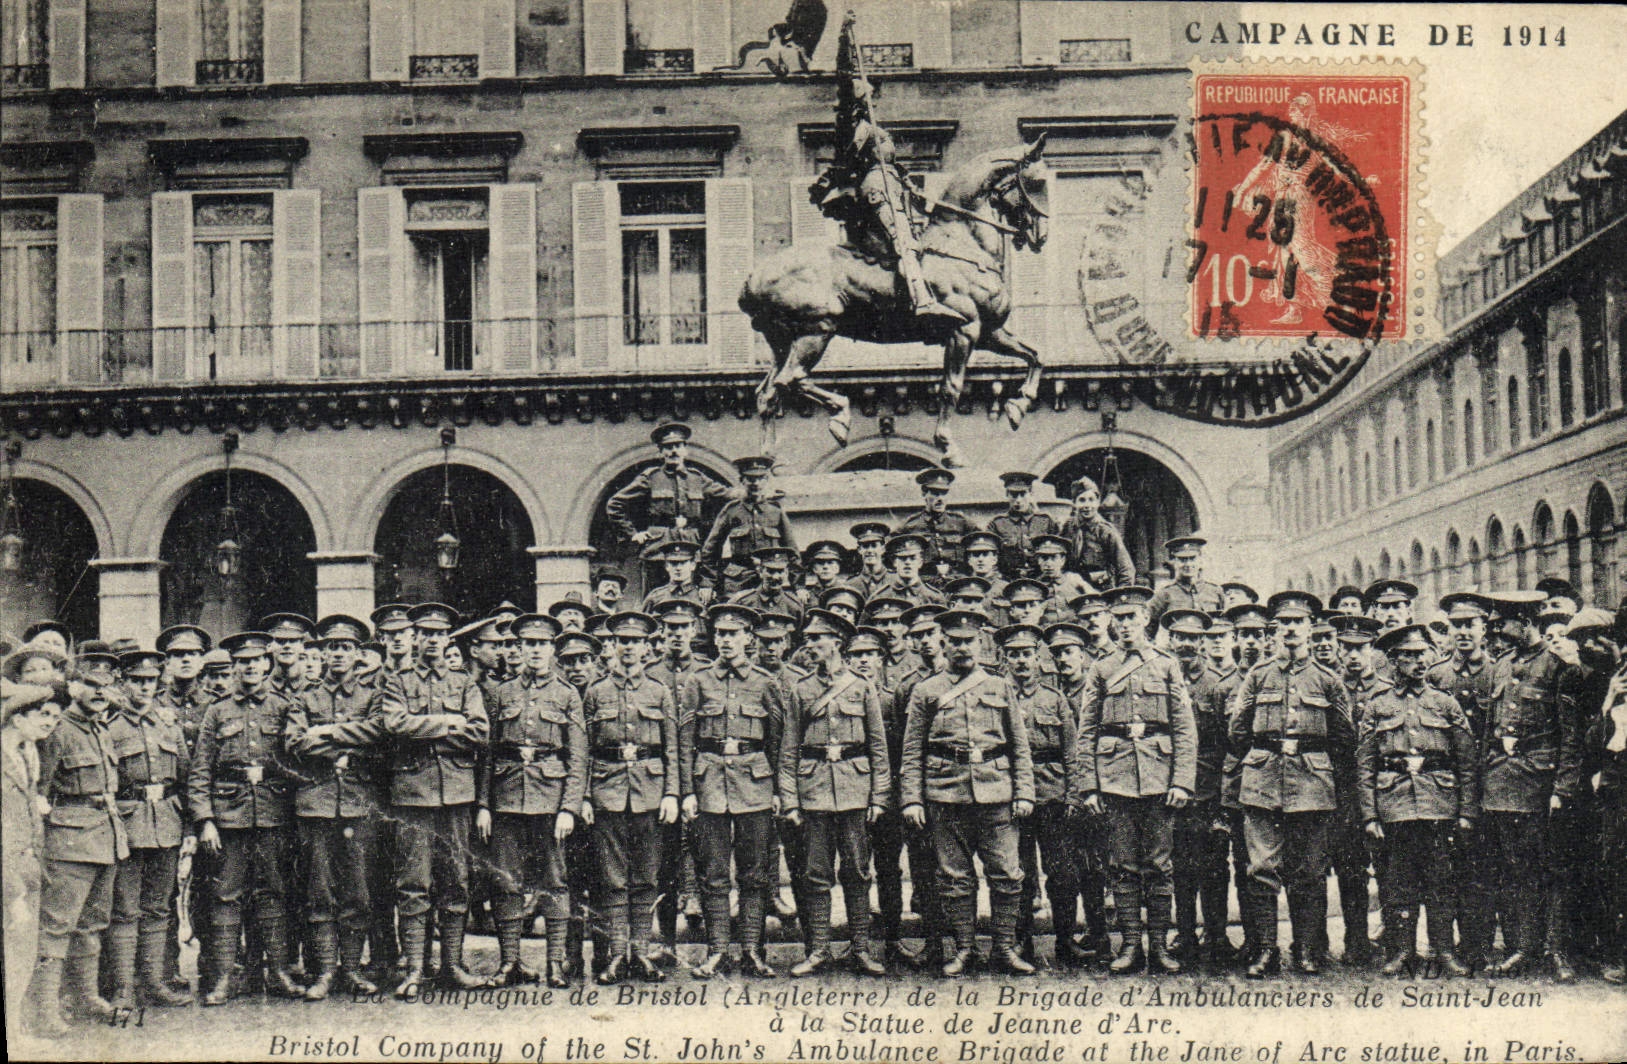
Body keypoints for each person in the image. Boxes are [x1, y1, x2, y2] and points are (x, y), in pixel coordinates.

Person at [1227, 591, 1357, 978]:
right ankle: (1266, 950)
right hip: (1263, 783)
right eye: (1283, 624)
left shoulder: (1328, 680)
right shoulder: (1257, 675)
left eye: (1297, 624)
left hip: (1312, 787)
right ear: (1273, 630)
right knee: (1262, 869)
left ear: (1310, 629)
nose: (1290, 631)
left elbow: (1345, 738)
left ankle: (1305, 949)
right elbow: (1237, 731)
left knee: (1309, 873)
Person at [900, 609, 1036, 976]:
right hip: (945, 794)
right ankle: (964, 949)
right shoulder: (926, 691)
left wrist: (1024, 792)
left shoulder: (999, 685)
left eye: (969, 641)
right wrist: (912, 798)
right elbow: (912, 750)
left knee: (1007, 874)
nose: (962, 648)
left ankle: (1004, 948)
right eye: (955, 642)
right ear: (943, 644)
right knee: (955, 877)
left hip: (997, 792)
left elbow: (1019, 745)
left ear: (981, 643)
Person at [812, 11, 966, 326]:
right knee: (903, 239)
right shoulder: (852, 125)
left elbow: (895, 166)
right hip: (875, 188)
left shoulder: (874, 128)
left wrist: (911, 186)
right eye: (865, 90)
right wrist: (845, 35)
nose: (871, 93)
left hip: (892, 185)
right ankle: (922, 299)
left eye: (872, 91)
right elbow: (844, 77)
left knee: (918, 238)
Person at [1075, 588, 1197, 975]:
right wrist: (1089, 786)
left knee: (1160, 866)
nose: (1125, 624)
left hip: (1160, 778)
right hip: (1115, 779)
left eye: (1132, 617)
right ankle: (1129, 946)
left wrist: (1182, 781)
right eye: (1119, 617)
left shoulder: (1165, 665)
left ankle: (1159, 945)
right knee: (1122, 866)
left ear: (1146, 618)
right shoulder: (1102, 667)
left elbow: (1184, 727)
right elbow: (1087, 730)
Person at [283, 615, 395, 1000]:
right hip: (316, 805)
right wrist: (349, 744)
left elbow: (379, 733)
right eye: (332, 647)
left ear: (358, 653)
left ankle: (351, 970)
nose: (338, 654)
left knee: (358, 892)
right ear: (323, 652)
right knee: (319, 891)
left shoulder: (373, 693)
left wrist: (327, 732)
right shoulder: (305, 696)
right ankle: (324, 972)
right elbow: (295, 743)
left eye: (346, 647)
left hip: (359, 806)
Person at [1357, 624, 1478, 979]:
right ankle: (1402, 952)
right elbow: (1364, 766)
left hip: (1438, 805)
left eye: (1422, 654)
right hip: (1394, 807)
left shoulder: (1445, 702)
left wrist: (1467, 811)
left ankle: (1443, 952)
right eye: (1409, 656)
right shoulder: (1378, 706)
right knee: (1397, 885)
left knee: (1441, 882)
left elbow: (1467, 763)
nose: (1418, 662)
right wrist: (1369, 816)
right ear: (1394, 661)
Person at [187, 632, 301, 1005]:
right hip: (229, 818)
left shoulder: (284, 706)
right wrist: (205, 819)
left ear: (267, 664)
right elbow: (200, 770)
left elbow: (295, 763)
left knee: (273, 893)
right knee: (225, 896)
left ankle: (279, 972)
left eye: (256, 661)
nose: (249, 667)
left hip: (273, 814)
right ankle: (222, 978)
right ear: (233, 667)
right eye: (242, 662)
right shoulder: (216, 712)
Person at [383, 603, 490, 997]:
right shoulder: (397, 681)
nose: (431, 640)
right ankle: (415, 968)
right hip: (413, 795)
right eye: (424, 633)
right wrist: (449, 722)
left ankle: (452, 965)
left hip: (457, 795)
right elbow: (394, 725)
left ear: (448, 639)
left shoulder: (464, 684)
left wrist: (425, 729)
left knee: (456, 881)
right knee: (413, 883)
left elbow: (479, 732)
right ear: (416, 638)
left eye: (438, 634)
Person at [778, 610, 890, 976]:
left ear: (836, 643)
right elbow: (789, 750)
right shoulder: (801, 689)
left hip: (856, 791)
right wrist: (791, 800)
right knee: (816, 872)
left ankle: (860, 949)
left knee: (858, 870)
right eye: (808, 639)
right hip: (814, 793)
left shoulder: (861, 686)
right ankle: (820, 950)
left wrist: (878, 797)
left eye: (816, 639)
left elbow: (878, 747)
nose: (809, 646)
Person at [480, 613, 588, 988]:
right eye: (528, 644)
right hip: (506, 797)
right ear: (519, 649)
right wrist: (483, 805)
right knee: (506, 881)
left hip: (550, 798)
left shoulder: (567, 694)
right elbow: (488, 754)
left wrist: (569, 808)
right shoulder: (501, 693)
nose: (535, 651)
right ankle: (510, 962)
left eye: (542, 644)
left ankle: (555, 964)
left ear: (553, 649)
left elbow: (578, 757)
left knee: (555, 881)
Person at [1477, 590, 1581, 979]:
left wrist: (1563, 788)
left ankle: (1556, 950)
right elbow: (1490, 731)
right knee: (1514, 870)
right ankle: (1523, 947)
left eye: (1504, 625)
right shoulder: (1501, 666)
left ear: (1525, 622)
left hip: (1541, 785)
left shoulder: (1558, 667)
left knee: (1551, 870)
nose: (1498, 632)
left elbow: (1570, 736)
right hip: (1502, 784)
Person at [679, 604, 784, 979]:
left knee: (755, 874)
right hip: (708, 784)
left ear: (748, 639)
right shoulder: (698, 681)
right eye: (720, 634)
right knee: (714, 873)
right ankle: (717, 951)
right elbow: (685, 738)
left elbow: (778, 741)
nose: (726, 641)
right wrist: (687, 790)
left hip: (755, 784)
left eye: (733, 634)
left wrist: (778, 789)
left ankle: (753, 951)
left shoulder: (764, 682)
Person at [579, 615, 678, 985]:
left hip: (650, 792)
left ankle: (642, 953)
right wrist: (585, 796)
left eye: (636, 640)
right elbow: (585, 749)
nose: (629, 646)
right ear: (614, 645)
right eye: (622, 639)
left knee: (647, 878)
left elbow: (672, 748)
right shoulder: (596, 691)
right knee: (612, 878)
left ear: (647, 646)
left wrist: (671, 792)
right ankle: (617, 955)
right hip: (607, 791)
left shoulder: (659, 691)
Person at [104, 648, 194, 1009]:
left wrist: (188, 827)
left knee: (159, 908)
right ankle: (124, 988)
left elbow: (186, 778)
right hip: (126, 824)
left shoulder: (168, 724)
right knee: (125, 909)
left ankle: (155, 984)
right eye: (136, 681)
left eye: (150, 681)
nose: (144, 687)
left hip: (167, 824)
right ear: (122, 682)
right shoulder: (109, 725)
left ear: (159, 683)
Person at [999, 623, 1080, 968]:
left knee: (1061, 872)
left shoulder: (1055, 699)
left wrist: (1073, 795)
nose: (1021, 661)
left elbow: (1072, 752)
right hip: (1015, 796)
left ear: (1038, 658)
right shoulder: (997, 695)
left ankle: (1065, 940)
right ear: (1005, 659)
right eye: (1014, 655)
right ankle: (1022, 942)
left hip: (1052, 794)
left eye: (1027, 654)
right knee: (1020, 873)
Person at [1427, 593, 1500, 972]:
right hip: (1443, 787)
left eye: (1471, 625)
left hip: (1488, 785)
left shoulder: (1498, 672)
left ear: (1484, 629)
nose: (1463, 633)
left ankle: (1480, 946)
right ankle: (1448, 947)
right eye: (1457, 626)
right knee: (1445, 870)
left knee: (1481, 870)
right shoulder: (1436, 676)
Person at [1162, 610, 1232, 969]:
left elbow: (1227, 745)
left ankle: (1217, 936)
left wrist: (1222, 798)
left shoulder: (1217, 685)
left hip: (1207, 791)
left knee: (1214, 867)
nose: (1187, 644)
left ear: (1204, 642)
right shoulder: (1161, 678)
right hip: (1172, 789)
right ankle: (1185, 934)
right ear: (1170, 640)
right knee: (1180, 867)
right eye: (1180, 636)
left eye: (1194, 637)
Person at [1044, 621, 1111, 963]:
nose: (1062, 660)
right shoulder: (1050, 692)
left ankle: (1099, 935)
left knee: (1096, 867)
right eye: (1056, 654)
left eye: (1068, 652)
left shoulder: (1097, 690)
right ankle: (1067, 937)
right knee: (1065, 869)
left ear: (1084, 656)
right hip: (1062, 790)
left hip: (1094, 788)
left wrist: (1091, 788)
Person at [1325, 613, 1386, 968]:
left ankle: (1394, 938)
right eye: (1346, 647)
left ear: (1371, 649)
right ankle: (1356, 940)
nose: (1352, 655)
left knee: (1388, 867)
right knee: (1349, 868)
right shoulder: (1330, 686)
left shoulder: (1387, 687)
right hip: (1341, 788)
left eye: (1360, 647)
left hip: (1381, 788)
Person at [5, 681, 64, 1038]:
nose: (48, 723)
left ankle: (14, 1029)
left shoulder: (28, 755)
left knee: (22, 953)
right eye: (40, 715)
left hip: (28, 864)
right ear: (16, 718)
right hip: (9, 871)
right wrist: (13, 893)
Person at [605, 423, 733, 584]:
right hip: (658, 549)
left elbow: (728, 494)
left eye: (678, 446)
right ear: (661, 451)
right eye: (668, 447)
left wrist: (757, 492)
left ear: (685, 450)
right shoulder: (651, 477)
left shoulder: (697, 478)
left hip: (690, 545)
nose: (673, 451)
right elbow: (614, 504)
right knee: (656, 597)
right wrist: (633, 534)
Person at [702, 455, 797, 598]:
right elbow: (710, 549)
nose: (756, 483)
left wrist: (799, 585)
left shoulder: (775, 511)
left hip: (770, 578)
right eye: (751, 479)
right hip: (738, 581)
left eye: (761, 478)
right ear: (742, 481)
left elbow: (792, 550)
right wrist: (708, 584)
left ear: (766, 481)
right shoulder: (731, 510)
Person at [897, 468, 976, 586]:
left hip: (957, 583)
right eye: (935, 493)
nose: (940, 498)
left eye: (944, 493)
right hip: (925, 584)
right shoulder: (910, 525)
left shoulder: (961, 522)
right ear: (924, 493)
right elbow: (891, 553)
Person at [1060, 477, 1135, 590]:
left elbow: (1126, 569)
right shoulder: (1068, 527)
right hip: (1072, 590)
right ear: (1074, 503)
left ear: (1098, 502)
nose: (1087, 505)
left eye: (1091, 499)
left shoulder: (1106, 531)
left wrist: (1120, 598)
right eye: (1082, 500)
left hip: (1100, 591)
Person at [987, 472, 1059, 579]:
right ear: (1007, 494)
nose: (1018, 500)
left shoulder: (1046, 521)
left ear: (1030, 493)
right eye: (1014, 495)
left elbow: (1059, 552)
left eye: (1023, 494)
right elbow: (989, 555)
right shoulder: (997, 523)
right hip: (1008, 580)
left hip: (1042, 579)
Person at [1146, 537, 1223, 633]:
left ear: (1200, 560)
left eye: (1192, 558)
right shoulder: (1165, 594)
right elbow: (1147, 627)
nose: (1188, 564)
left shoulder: (1215, 591)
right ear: (1174, 562)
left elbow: (1224, 624)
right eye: (1183, 559)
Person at [728, 546, 806, 623]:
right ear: (760, 572)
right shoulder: (742, 602)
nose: (775, 577)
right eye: (770, 571)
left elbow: (797, 634)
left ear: (786, 573)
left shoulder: (794, 606)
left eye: (780, 571)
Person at [641, 541, 715, 615]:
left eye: (683, 563)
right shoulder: (655, 597)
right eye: (673, 563)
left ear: (693, 565)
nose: (678, 568)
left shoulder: (704, 597)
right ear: (666, 566)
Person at [880, 533, 945, 606]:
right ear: (894, 562)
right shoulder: (882, 597)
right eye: (902, 558)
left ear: (920, 562)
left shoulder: (934, 597)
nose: (907, 562)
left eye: (913, 558)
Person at [846, 522, 895, 601]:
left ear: (883, 549)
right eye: (865, 546)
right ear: (859, 550)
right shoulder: (851, 584)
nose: (869, 550)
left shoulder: (895, 580)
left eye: (874, 546)